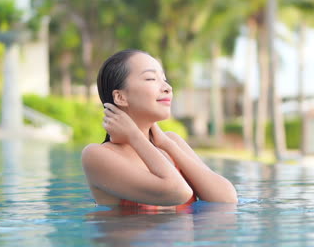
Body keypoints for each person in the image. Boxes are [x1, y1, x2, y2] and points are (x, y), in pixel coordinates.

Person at [81, 49, 238, 210]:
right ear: (120, 97)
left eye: (164, 79)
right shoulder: (97, 156)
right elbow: (178, 192)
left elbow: (226, 199)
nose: (167, 87)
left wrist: (168, 145)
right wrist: (135, 137)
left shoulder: (170, 142)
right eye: (151, 78)